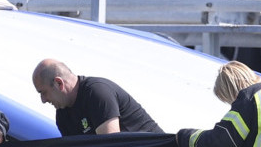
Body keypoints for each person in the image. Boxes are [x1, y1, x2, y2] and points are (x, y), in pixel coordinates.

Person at [31, 58, 163, 136]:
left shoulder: (97, 93)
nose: (43, 100)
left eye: (43, 92)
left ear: (59, 83)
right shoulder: (63, 115)